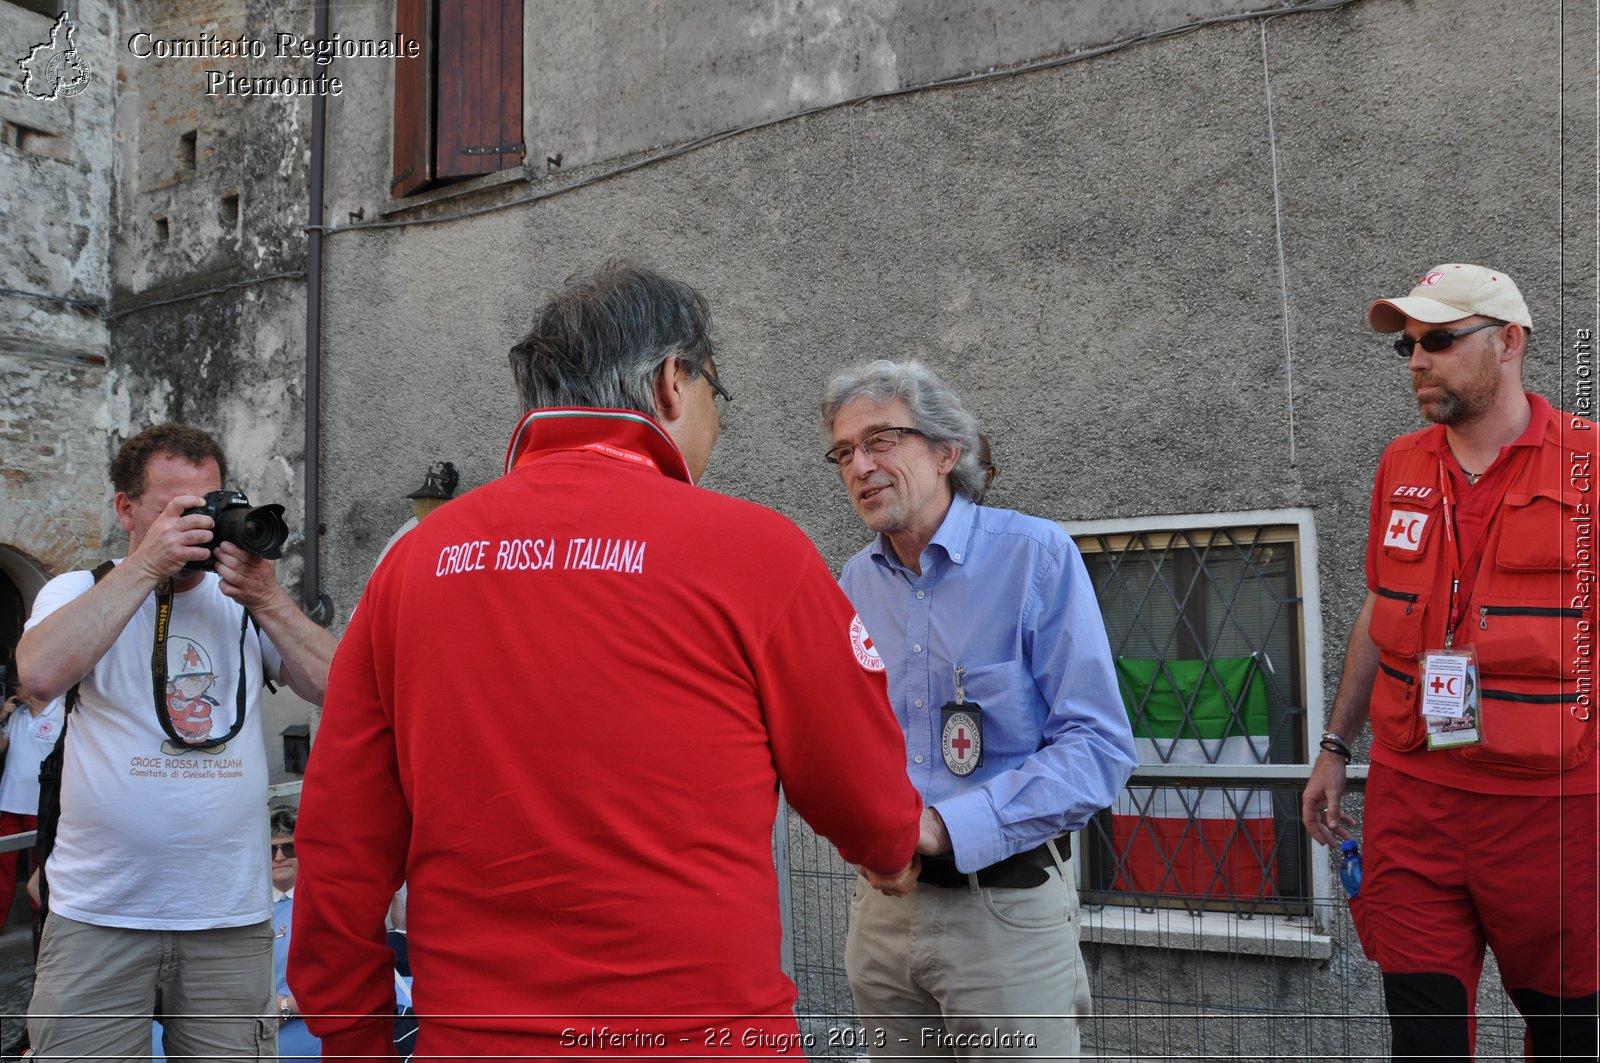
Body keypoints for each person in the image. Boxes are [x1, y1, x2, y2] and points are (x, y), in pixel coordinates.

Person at [289, 261, 923, 1057]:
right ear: (670, 383)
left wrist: (356, 1039)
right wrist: (893, 850)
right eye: (714, 396)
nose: (717, 428)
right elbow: (866, 796)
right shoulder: (754, 551)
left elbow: (339, 844)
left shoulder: (415, 565)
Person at [1301, 263, 1598, 1060]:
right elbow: (1378, 607)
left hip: (1554, 814)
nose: (1416, 361)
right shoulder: (1401, 464)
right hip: (1414, 801)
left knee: (1570, 1038)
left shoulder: (1589, 464)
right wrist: (1335, 747)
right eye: (1406, 345)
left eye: (1437, 339)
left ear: (1509, 342)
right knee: (1424, 1040)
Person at [820, 359, 1138, 1059]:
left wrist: (942, 825)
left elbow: (1098, 747)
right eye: (844, 451)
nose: (860, 465)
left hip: (1004, 913)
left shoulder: (1034, 555)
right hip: (882, 914)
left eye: (880, 440)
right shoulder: (852, 582)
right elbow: (852, 738)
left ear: (945, 451)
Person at [14, 422, 337, 1059]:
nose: (196, 523)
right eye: (174, 510)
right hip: (100, 915)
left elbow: (344, 687)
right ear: (127, 509)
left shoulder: (243, 600)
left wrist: (269, 597)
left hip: (229, 916)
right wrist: (146, 567)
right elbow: (39, 676)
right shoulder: (81, 589)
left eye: (208, 505)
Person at [0, 691, 61, 930]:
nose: (18, 687)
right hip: (9, 801)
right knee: (3, 863)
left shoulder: (60, 711)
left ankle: (42, 920)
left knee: (43, 864)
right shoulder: (15, 715)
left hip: (43, 804)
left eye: (22, 682)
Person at [271, 807, 320, 1060]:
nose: (279, 857)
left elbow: (338, 977)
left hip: (312, 1042)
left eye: (288, 848)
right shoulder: (246, 911)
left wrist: (285, 1008)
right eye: (271, 850)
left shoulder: (321, 904)